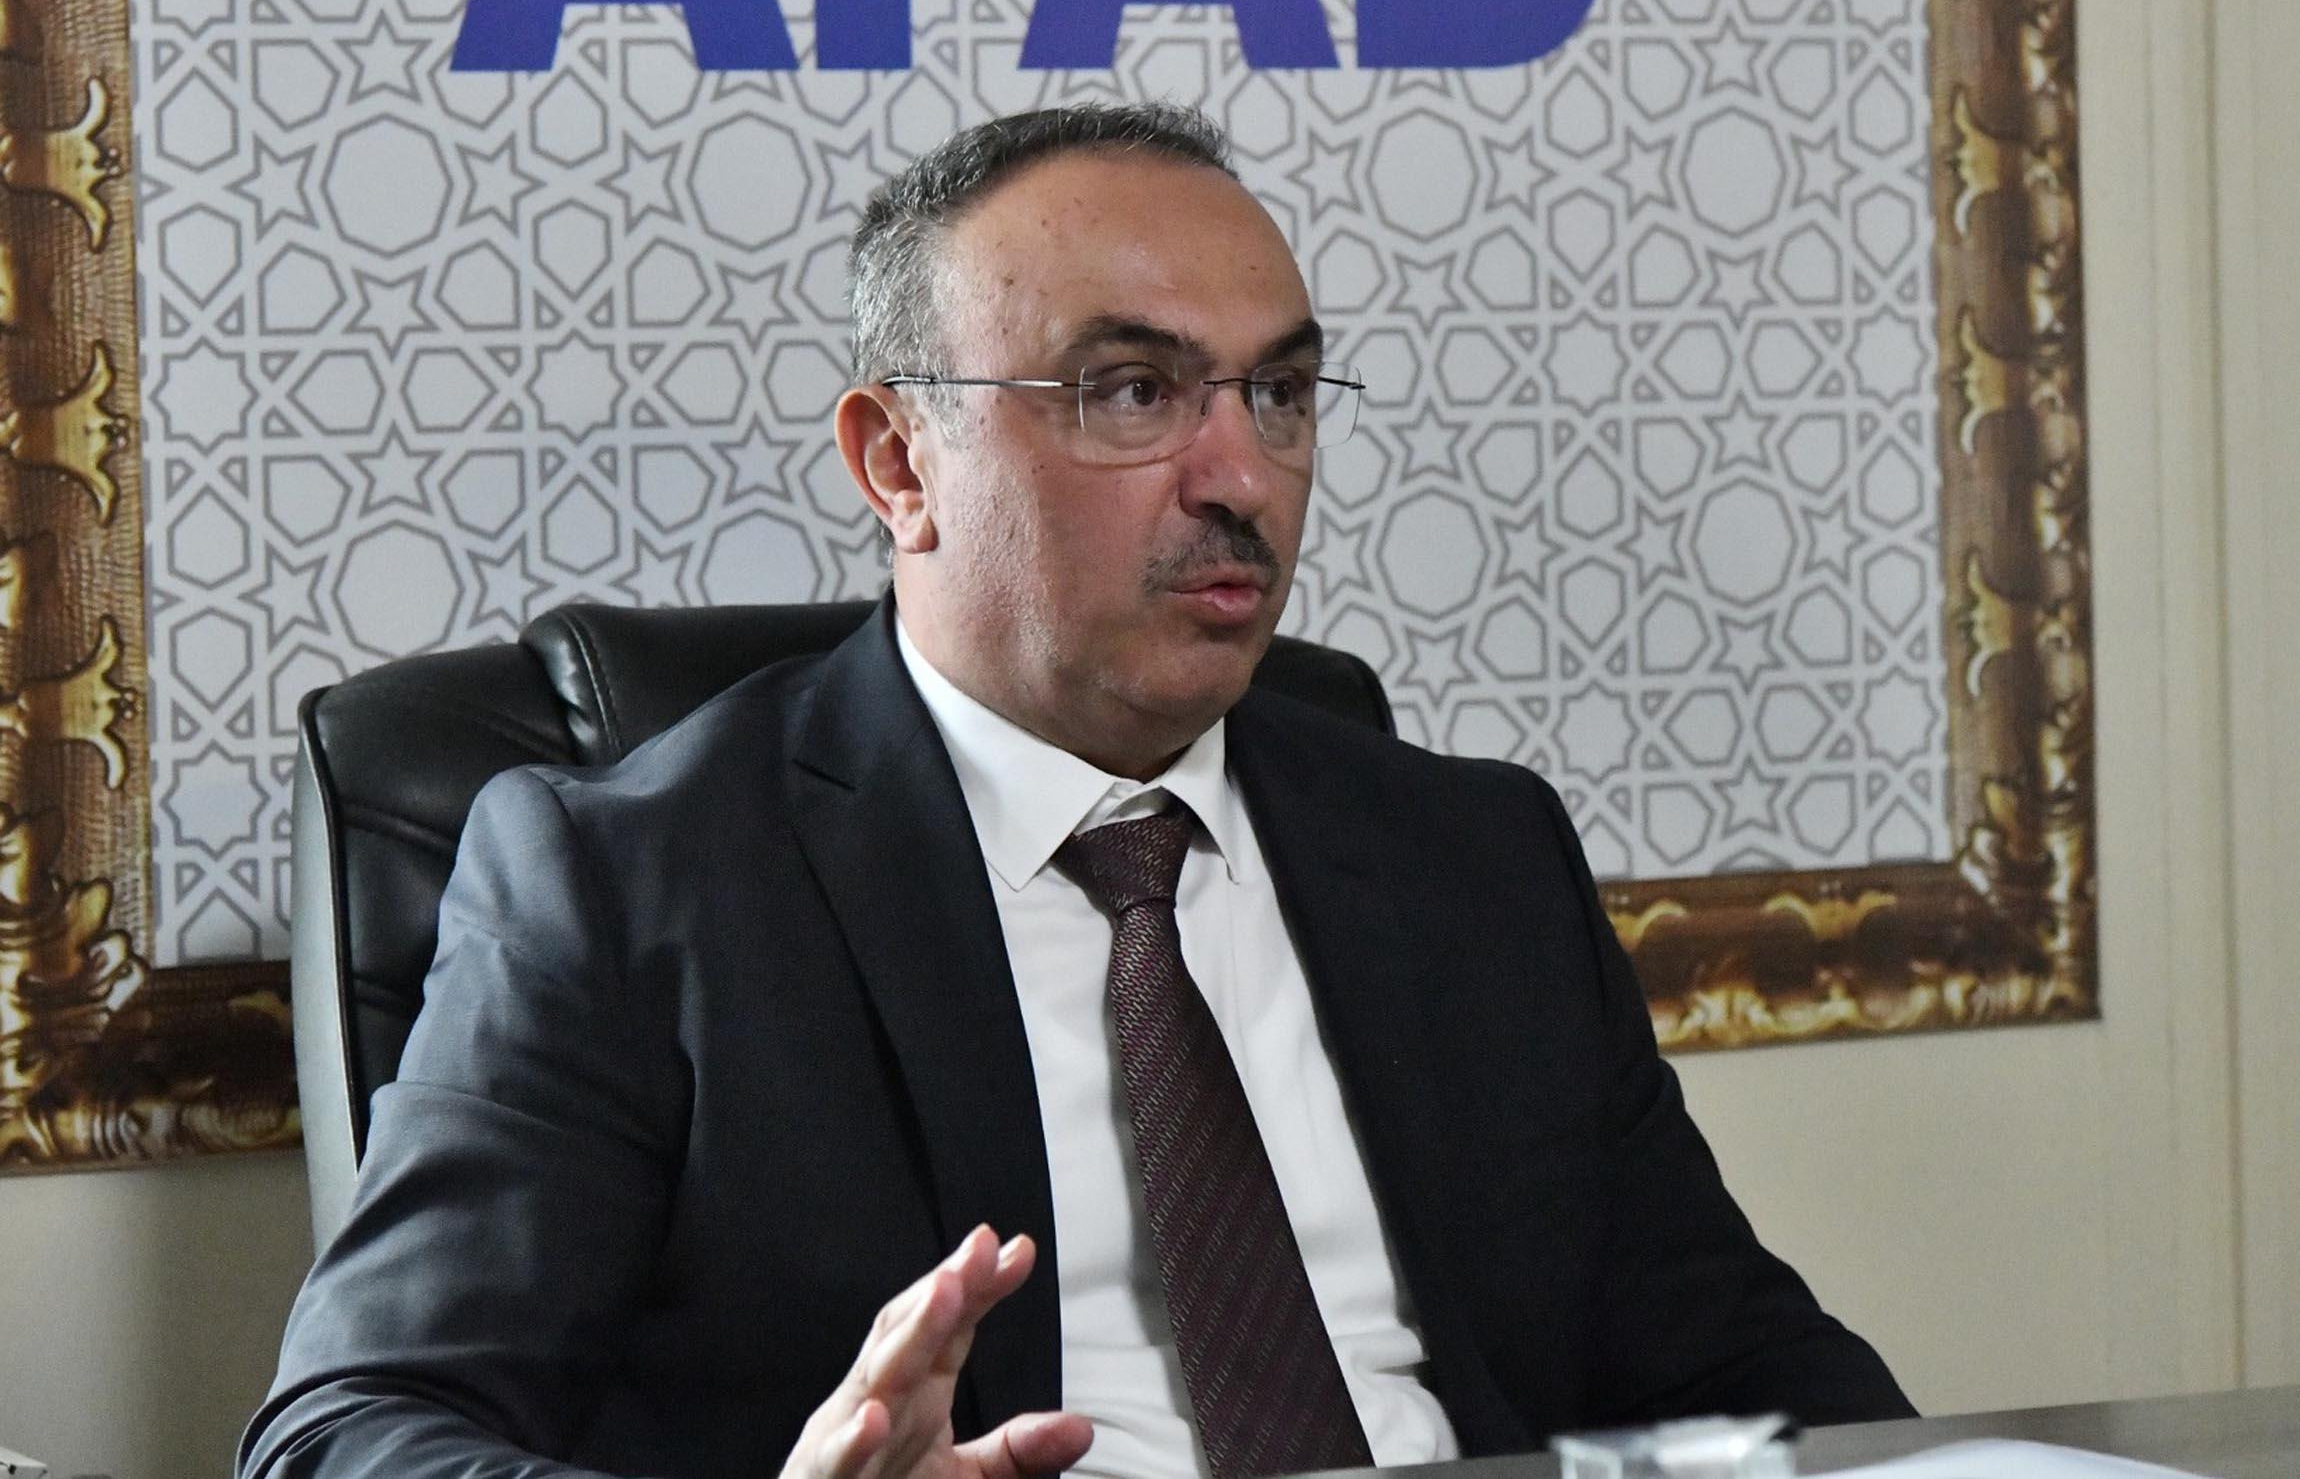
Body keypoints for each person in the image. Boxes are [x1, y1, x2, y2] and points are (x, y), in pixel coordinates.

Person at [241, 102, 1911, 1479]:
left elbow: (1747, 1367)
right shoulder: (630, 884)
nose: (1241, 474)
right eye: (1133, 393)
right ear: (900, 463)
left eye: (1280, 393)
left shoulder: (1472, 856)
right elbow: (349, 1436)